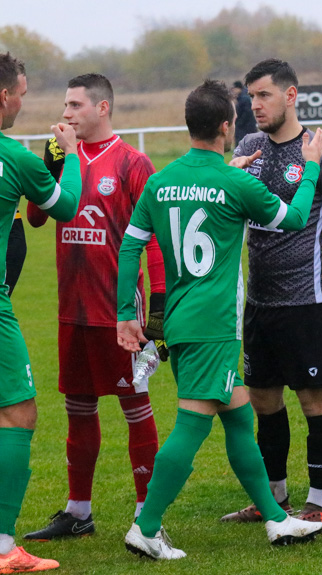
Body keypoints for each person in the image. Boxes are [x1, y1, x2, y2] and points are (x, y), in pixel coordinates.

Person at [116, 79, 322, 560]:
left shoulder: (162, 180)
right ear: (228, 127)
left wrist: (128, 313)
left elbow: (130, 247)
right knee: (192, 424)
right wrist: (310, 168)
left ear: (190, 125)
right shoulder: (234, 181)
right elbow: (294, 218)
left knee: (237, 415)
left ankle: (276, 520)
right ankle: (145, 526)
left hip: (184, 319)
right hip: (212, 324)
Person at [220, 59, 322, 525]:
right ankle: (276, 498)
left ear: (291, 95)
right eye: (250, 96)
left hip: (305, 302)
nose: (254, 104)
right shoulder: (248, 146)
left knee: (313, 402)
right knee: (264, 400)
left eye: (263, 95)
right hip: (259, 303)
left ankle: (318, 504)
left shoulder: (319, 152)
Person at [24, 74, 165, 541]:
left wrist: (157, 307)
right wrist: (52, 160)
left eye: (75, 105)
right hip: (73, 309)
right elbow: (37, 218)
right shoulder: (64, 157)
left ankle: (147, 514)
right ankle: (78, 511)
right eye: (65, 105)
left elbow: (156, 242)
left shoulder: (132, 162)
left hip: (118, 310)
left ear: (102, 108)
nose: (66, 114)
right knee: (78, 408)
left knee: (135, 405)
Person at [0, 51, 82, 574]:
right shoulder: (13, 156)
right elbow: (65, 206)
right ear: (2, 95)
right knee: (18, 411)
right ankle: (5, 548)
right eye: (21, 94)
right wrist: (68, 153)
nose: (23, 102)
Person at [231, 81, 257, 145]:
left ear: (239, 88)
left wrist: (239, 122)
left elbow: (247, 112)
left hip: (245, 126)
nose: (233, 90)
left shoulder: (244, 98)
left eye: (234, 88)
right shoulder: (240, 97)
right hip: (245, 126)